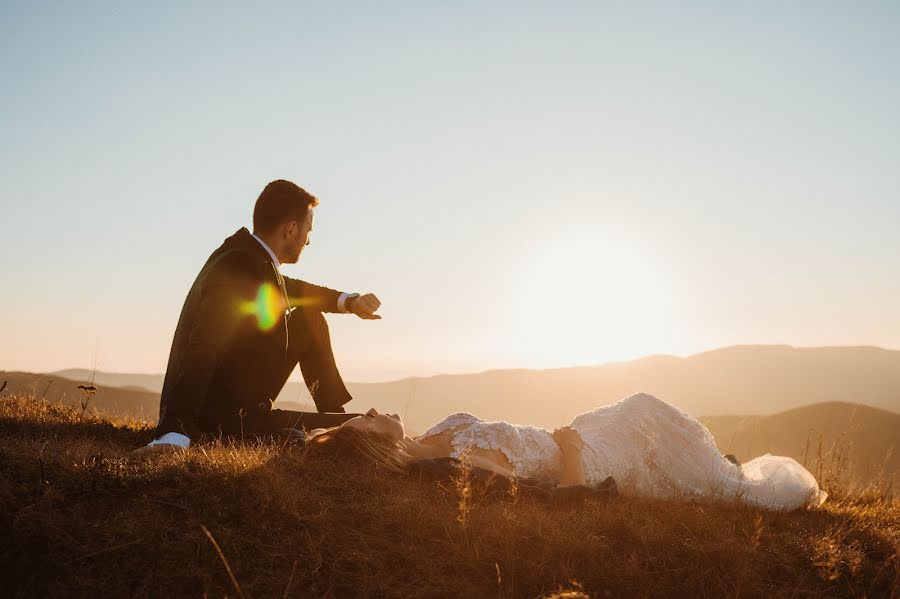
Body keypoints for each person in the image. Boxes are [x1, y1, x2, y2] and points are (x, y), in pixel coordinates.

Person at [133, 180, 381, 457]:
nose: (308, 241)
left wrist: (350, 302)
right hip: (226, 421)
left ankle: (337, 417)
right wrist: (175, 433)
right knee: (374, 428)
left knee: (308, 318)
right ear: (291, 229)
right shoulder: (237, 264)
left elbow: (294, 289)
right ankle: (344, 427)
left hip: (240, 402)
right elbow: (204, 347)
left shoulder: (248, 256)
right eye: (307, 232)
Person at [304, 392, 828, 511]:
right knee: (645, 409)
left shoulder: (434, 435)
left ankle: (713, 467)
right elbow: (561, 499)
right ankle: (728, 481)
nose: (375, 412)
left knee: (637, 408)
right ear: (382, 449)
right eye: (370, 424)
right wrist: (573, 449)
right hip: (585, 455)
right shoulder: (457, 465)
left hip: (576, 433)